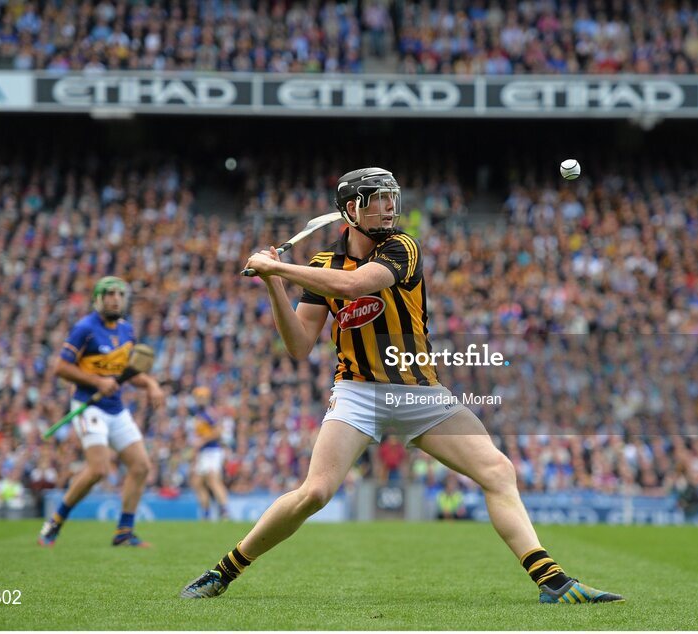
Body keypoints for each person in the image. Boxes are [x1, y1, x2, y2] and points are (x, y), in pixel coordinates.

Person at [180, 168, 624, 605]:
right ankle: (223, 571)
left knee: (497, 470)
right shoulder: (321, 265)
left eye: (393, 197)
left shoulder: (402, 246)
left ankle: (553, 582)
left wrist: (283, 267)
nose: (391, 207)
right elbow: (298, 345)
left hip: (420, 392)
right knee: (314, 493)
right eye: (379, 199)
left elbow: (355, 286)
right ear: (352, 209)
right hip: (357, 393)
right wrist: (274, 281)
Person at [38, 276, 164, 547]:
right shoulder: (85, 328)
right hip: (88, 406)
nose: (115, 298)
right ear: (97, 298)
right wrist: (97, 381)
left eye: (119, 293)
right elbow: (60, 367)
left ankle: (124, 532)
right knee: (98, 469)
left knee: (141, 466)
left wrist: (151, 384)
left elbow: (128, 374)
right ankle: (54, 522)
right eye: (108, 294)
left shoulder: (127, 331)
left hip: (116, 408)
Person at [189, 386, 230, 521]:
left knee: (213, 479)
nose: (199, 400)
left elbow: (218, 431)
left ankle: (224, 510)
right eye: (198, 397)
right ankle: (206, 513)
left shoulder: (209, 413)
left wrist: (202, 441)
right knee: (197, 482)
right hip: (203, 452)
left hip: (212, 450)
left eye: (202, 397)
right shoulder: (198, 414)